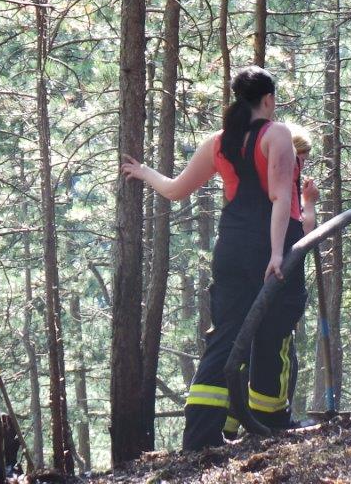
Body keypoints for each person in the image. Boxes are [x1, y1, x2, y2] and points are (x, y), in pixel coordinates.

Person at [120, 66, 315, 450]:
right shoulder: (277, 134)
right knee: (274, 331)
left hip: (231, 249)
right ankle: (270, 424)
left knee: (226, 335)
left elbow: (175, 189)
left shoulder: (218, 141)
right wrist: (277, 254)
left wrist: (143, 172)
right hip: (271, 248)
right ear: (268, 100)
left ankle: (201, 435)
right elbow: (280, 198)